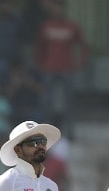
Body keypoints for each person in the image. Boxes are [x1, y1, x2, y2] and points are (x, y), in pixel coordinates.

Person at [33, 0, 89, 138]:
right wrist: (40, 63)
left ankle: (70, 131)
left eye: (60, 8)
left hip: (67, 68)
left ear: (64, 9)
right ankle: (49, 132)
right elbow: (39, 47)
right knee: (47, 101)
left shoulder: (72, 26)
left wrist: (80, 63)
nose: (58, 11)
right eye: (55, 8)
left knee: (69, 102)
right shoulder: (46, 26)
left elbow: (83, 45)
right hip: (49, 68)